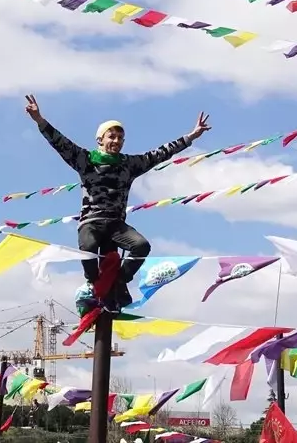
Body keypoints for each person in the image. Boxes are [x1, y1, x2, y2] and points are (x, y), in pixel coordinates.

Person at [24, 94, 211, 310]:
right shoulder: (86, 160)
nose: (116, 141)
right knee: (89, 247)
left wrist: (191, 137)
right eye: (111, 137)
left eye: (120, 138)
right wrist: (39, 119)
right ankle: (93, 284)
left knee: (141, 245)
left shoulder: (129, 164)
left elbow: (160, 153)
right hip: (91, 222)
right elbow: (60, 142)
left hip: (116, 225)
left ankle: (119, 282)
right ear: (100, 140)